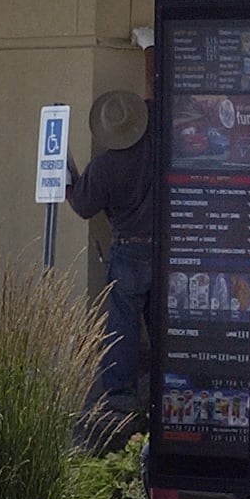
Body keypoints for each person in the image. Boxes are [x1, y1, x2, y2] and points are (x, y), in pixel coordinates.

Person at [66, 68, 154, 446]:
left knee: (121, 325)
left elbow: (84, 206)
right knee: (166, 324)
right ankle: (171, 392)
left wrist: (68, 177)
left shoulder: (104, 166)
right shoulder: (160, 144)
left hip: (128, 248)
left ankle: (120, 400)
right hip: (172, 247)